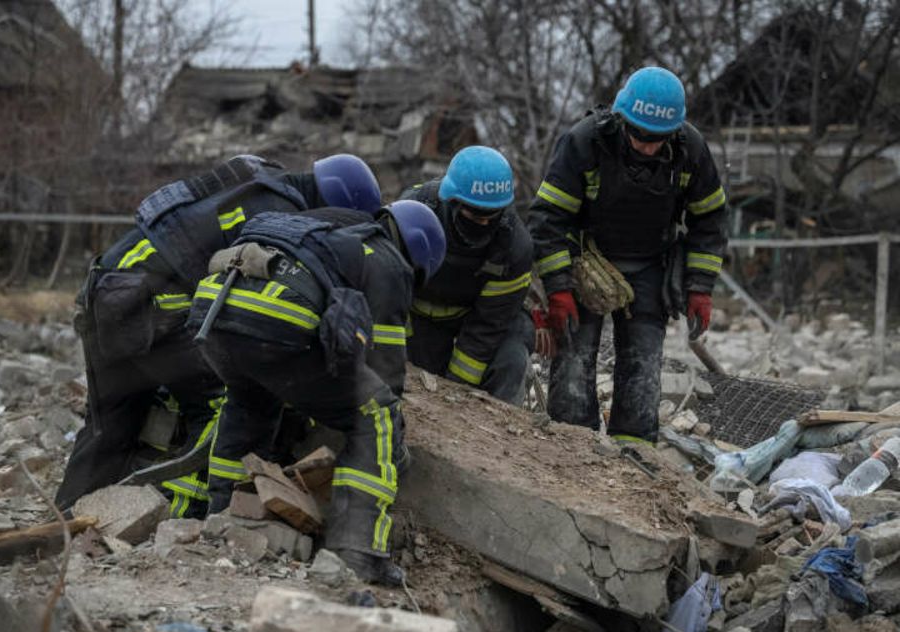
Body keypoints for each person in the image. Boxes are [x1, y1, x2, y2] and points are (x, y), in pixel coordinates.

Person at [55, 154, 382, 514]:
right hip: (151, 304)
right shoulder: (284, 215)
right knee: (222, 401)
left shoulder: (257, 182)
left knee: (109, 424)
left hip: (105, 291)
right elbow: (257, 305)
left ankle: (64, 520)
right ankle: (188, 520)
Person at [188, 201, 445, 584]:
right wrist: (394, 444)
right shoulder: (390, 261)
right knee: (377, 413)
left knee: (249, 400)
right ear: (419, 254)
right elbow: (385, 371)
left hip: (215, 311)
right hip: (277, 319)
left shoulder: (328, 226)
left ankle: (221, 517)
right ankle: (358, 552)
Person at [528, 66, 728, 444]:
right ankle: (573, 447)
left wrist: (700, 287)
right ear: (621, 119)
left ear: (674, 131)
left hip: (651, 264)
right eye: (638, 134)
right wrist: (557, 288)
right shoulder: (584, 142)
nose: (646, 146)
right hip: (585, 263)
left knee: (643, 364)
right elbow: (547, 219)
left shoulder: (691, 149)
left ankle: (633, 452)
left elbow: (711, 219)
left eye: (657, 139)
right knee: (574, 361)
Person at [399, 146, 534, 404]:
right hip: (415, 318)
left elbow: (489, 324)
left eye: (490, 216)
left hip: (471, 319)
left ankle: (499, 423)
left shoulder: (514, 247)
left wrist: (456, 393)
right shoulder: (412, 216)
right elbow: (388, 288)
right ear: (452, 201)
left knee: (515, 345)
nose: (482, 224)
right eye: (473, 214)